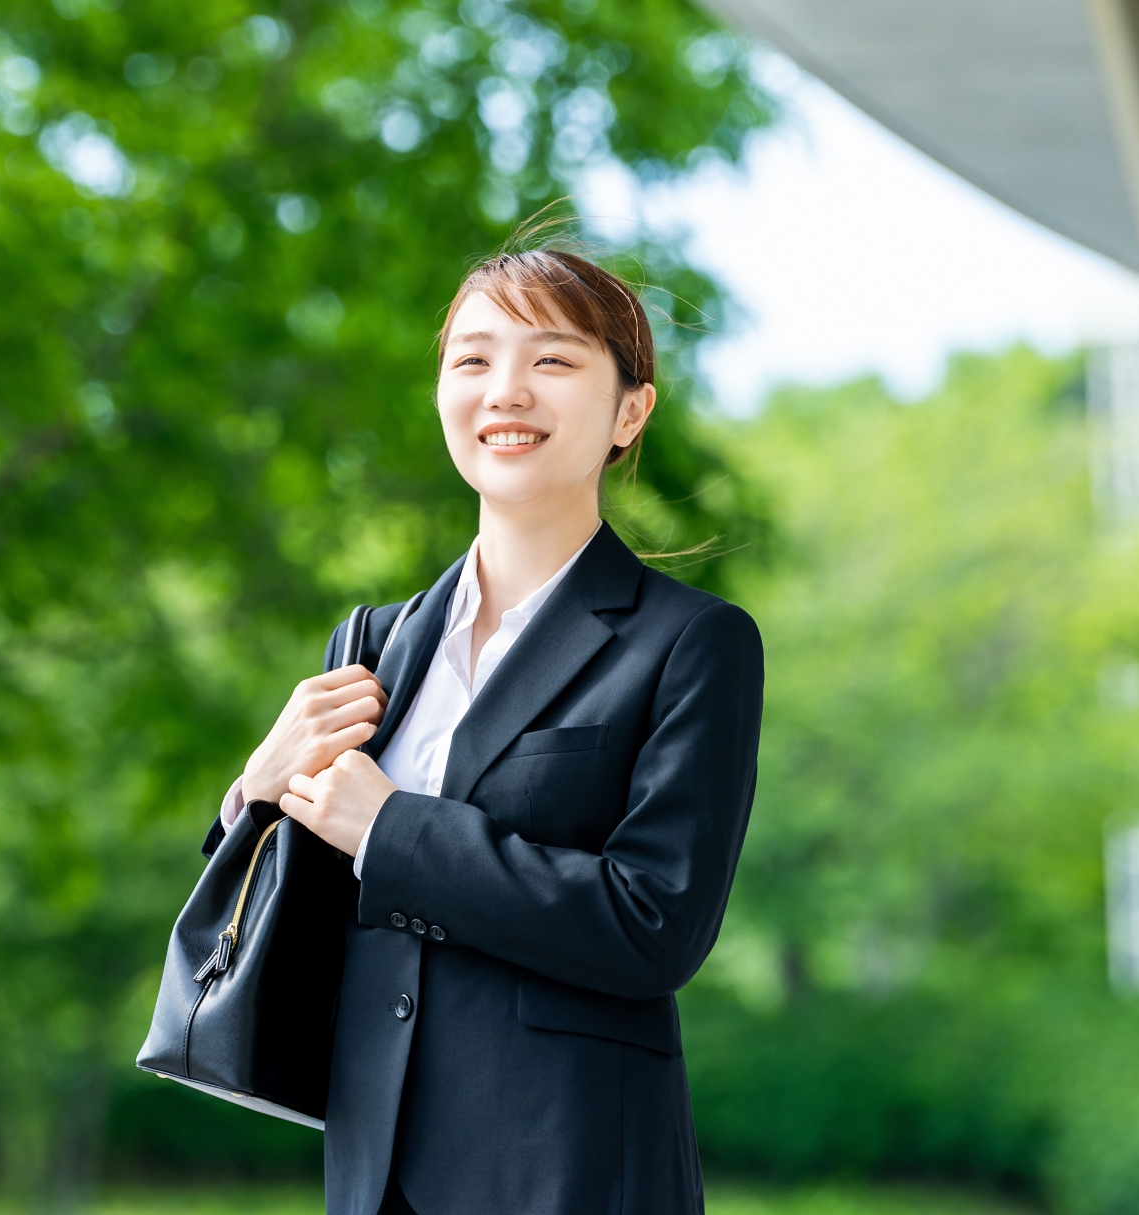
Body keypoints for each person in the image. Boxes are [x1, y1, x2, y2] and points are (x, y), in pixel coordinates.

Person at [201, 241, 764, 1215]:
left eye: (552, 360)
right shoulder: (374, 643)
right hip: (374, 1172)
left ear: (630, 411)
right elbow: (299, 912)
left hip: (571, 1171)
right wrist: (257, 791)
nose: (506, 389)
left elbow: (656, 926)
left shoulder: (690, 642)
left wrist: (392, 829)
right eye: (473, 359)